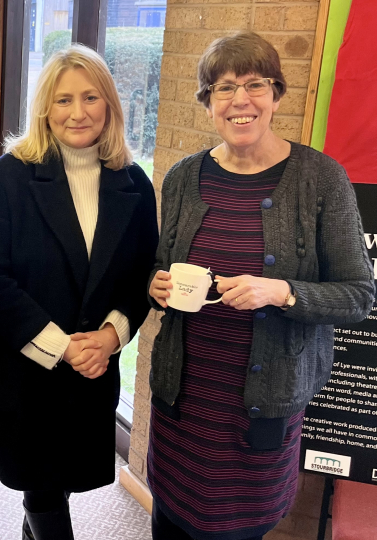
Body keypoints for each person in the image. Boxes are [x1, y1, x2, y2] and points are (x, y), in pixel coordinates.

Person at [146, 31, 375, 540]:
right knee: (169, 522)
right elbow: (161, 266)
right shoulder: (184, 177)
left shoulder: (321, 178)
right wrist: (156, 286)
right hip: (183, 404)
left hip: (259, 411)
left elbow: (360, 295)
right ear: (208, 104)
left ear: (276, 94)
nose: (240, 100)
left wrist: (283, 292)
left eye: (255, 84)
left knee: (236, 530)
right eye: (223, 88)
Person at [0, 44, 159, 540]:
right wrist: (62, 346)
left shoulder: (134, 182)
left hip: (93, 369)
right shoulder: (6, 177)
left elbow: (143, 276)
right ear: (44, 109)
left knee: (58, 485)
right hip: (27, 370)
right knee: (44, 490)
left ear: (109, 105)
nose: (78, 112)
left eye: (91, 97)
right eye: (63, 99)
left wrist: (113, 336)